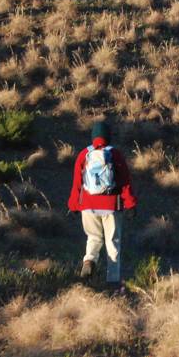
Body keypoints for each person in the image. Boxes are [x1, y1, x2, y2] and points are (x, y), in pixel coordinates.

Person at [67, 121, 137, 284]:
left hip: (88, 206)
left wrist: (74, 205)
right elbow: (125, 183)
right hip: (111, 206)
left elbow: (77, 184)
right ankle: (112, 281)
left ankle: (89, 261)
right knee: (113, 243)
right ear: (108, 136)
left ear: (93, 137)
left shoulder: (84, 155)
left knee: (93, 237)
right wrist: (131, 204)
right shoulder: (115, 154)